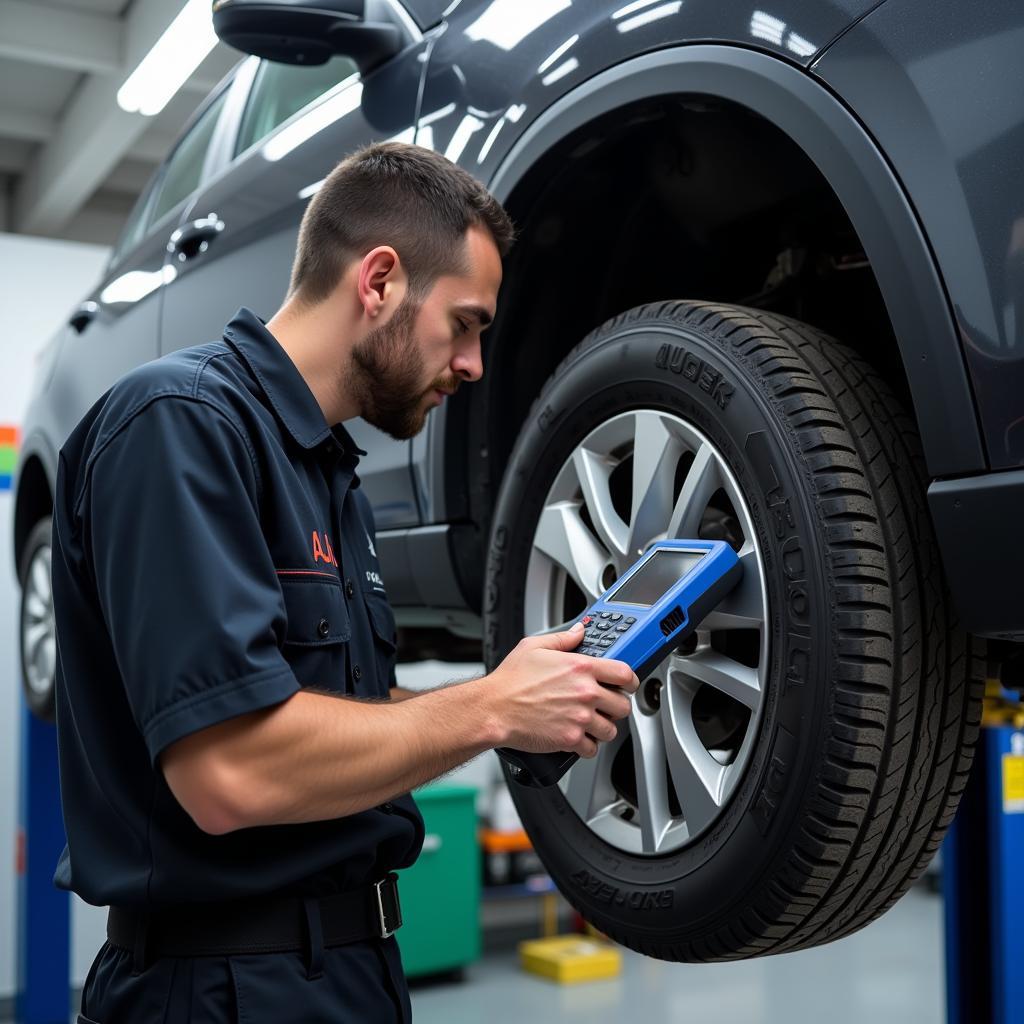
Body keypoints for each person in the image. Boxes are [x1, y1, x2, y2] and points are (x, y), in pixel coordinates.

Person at [52, 141, 640, 1023]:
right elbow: (231, 773)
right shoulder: (178, 425)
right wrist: (489, 707)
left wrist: (522, 695)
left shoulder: (333, 478)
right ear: (379, 282)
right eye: (467, 323)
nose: (475, 363)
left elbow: (329, 708)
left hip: (349, 972)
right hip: (219, 988)